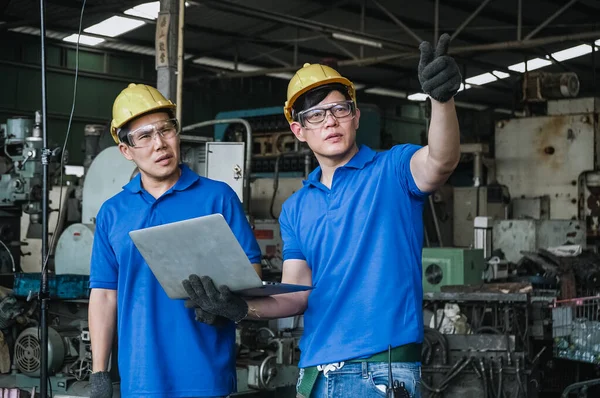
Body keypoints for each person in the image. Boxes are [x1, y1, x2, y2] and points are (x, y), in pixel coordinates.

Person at [182, 33, 461, 398]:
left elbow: (441, 159)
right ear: (299, 130)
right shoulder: (296, 208)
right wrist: (239, 308)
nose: (329, 121)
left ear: (355, 116)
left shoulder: (392, 171)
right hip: (315, 374)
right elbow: (297, 295)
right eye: (315, 115)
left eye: (339, 109)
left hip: (381, 369)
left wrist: (442, 100)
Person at [88, 83, 262, 398]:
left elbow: (252, 273)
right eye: (144, 136)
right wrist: (99, 372)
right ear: (126, 150)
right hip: (140, 379)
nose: (160, 144)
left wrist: (227, 302)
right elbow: (103, 295)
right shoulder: (112, 213)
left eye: (166, 130)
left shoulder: (217, 197)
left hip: (206, 375)